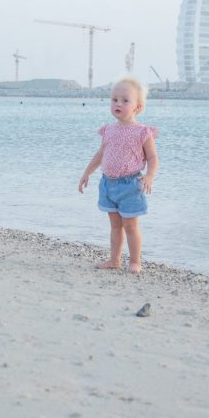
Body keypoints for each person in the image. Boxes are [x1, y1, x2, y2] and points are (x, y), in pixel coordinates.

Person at [79, 77, 159, 274]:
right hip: (108, 184)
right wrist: (86, 173)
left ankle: (135, 261)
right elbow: (101, 154)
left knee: (130, 225)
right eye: (114, 99)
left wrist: (149, 176)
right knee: (115, 226)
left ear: (137, 107)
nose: (118, 104)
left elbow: (152, 157)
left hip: (130, 185)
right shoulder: (108, 130)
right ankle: (114, 260)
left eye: (125, 100)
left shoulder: (142, 132)